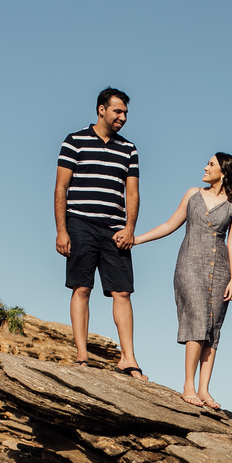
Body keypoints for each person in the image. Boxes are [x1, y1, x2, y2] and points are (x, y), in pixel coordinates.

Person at [135, 153, 232, 409]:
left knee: (212, 328)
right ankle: (188, 385)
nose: (205, 167)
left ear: (223, 172)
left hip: (220, 268)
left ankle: (204, 389)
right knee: (197, 318)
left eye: (210, 164)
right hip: (189, 264)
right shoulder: (192, 195)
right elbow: (169, 225)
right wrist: (137, 239)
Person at [54, 87, 146, 379]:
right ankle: (82, 356)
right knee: (81, 288)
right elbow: (61, 189)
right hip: (80, 223)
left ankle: (128, 358)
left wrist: (130, 228)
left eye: (126, 113)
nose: (123, 117)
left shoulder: (129, 149)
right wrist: (61, 231)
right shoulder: (74, 141)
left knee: (123, 292)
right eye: (118, 111)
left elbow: (132, 193)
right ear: (101, 109)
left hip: (115, 229)